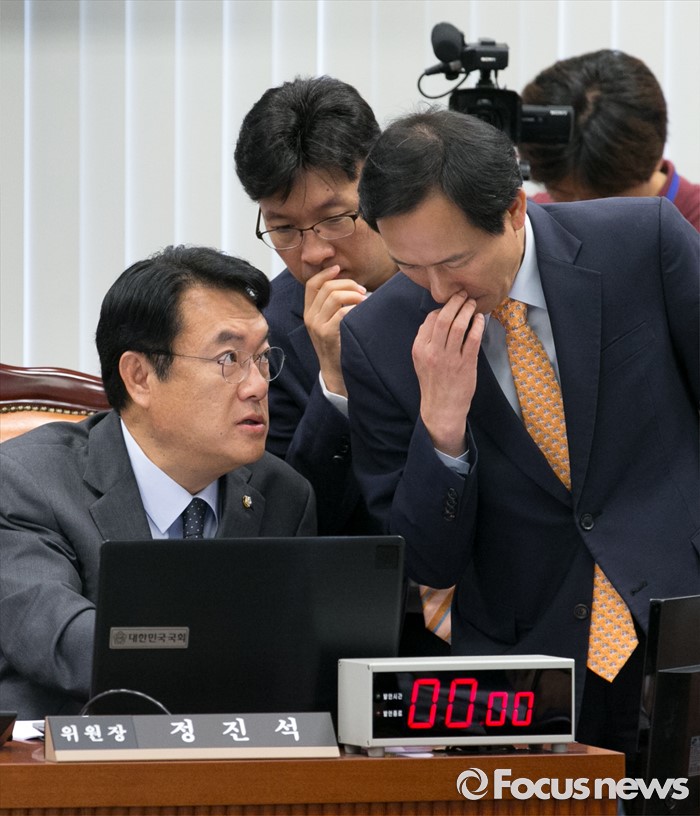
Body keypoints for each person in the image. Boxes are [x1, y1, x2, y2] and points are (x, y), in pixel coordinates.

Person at [340, 108, 699, 766]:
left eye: (454, 261)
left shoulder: (641, 241)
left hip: (680, 616)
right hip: (526, 671)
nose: (438, 290)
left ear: (513, 210)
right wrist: (442, 430)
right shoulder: (378, 337)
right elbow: (426, 564)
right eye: (409, 266)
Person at [0, 245, 316, 719]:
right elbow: (59, 637)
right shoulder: (27, 481)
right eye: (229, 358)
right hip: (67, 753)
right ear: (140, 377)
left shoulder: (283, 493)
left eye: (262, 358)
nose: (257, 386)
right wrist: (222, 653)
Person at [234, 75, 397, 536]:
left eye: (334, 218)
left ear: (380, 182)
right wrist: (335, 382)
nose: (313, 253)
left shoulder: (456, 277)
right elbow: (291, 524)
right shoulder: (266, 334)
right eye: (284, 229)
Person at [518, 48, 700, 230]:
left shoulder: (692, 229)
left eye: (606, 201)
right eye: (562, 195)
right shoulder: (533, 220)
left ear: (655, 160)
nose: (583, 214)